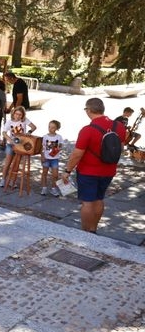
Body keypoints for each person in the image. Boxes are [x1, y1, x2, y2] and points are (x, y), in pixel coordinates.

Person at [62, 98, 127, 233]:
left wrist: (67, 170)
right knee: (99, 199)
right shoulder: (119, 126)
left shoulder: (87, 130)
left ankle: (86, 232)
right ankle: (93, 229)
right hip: (108, 171)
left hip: (88, 171)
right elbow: (120, 148)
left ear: (89, 110)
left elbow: (77, 154)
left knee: (87, 202)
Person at [0, 106, 36, 187]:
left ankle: (13, 181)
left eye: (20, 114)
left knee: (16, 164)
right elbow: (4, 133)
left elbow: (34, 127)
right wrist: (10, 140)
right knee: (8, 163)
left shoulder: (24, 120)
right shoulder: (9, 122)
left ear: (23, 115)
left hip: (21, 145)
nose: (18, 116)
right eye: (16, 114)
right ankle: (3, 180)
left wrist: (29, 132)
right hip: (11, 145)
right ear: (13, 113)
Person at [40, 120, 64, 196]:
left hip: (55, 159)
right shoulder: (45, 137)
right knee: (44, 173)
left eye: (53, 127)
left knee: (55, 175)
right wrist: (42, 156)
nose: (50, 129)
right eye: (49, 127)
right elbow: (42, 148)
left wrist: (59, 148)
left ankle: (53, 188)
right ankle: (44, 188)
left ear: (57, 128)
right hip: (46, 158)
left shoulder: (59, 137)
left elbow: (61, 145)